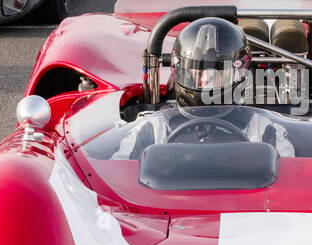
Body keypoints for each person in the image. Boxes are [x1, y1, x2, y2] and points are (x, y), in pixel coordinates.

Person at [110, 18, 295, 159]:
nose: (205, 83)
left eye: (215, 75)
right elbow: (116, 173)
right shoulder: (154, 127)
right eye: (195, 75)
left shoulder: (263, 128)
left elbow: (288, 181)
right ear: (177, 71)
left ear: (241, 74)